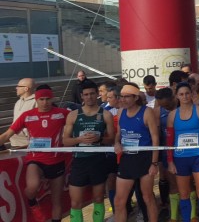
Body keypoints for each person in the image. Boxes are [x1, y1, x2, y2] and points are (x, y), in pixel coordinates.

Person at [0, 84, 69, 222]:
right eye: (41, 99)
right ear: (36, 100)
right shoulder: (27, 115)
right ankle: (32, 202)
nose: (45, 102)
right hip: (35, 159)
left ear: (52, 98)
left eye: (47, 99)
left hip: (56, 161)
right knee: (32, 187)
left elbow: (78, 122)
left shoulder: (62, 113)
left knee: (57, 201)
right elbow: (8, 134)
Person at [63, 79, 115, 222]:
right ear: (82, 96)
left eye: (92, 94)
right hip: (79, 161)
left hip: (98, 160)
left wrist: (98, 139)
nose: (89, 97)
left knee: (98, 198)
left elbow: (112, 139)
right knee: (75, 202)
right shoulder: (73, 115)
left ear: (97, 94)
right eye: (86, 94)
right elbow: (65, 141)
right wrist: (79, 140)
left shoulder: (105, 114)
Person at [113, 83, 160, 222]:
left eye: (126, 97)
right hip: (127, 159)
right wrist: (117, 143)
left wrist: (154, 163)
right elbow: (118, 133)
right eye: (121, 97)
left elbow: (155, 139)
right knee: (119, 201)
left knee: (147, 198)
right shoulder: (121, 112)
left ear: (135, 98)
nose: (123, 100)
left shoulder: (146, 112)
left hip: (144, 159)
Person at [166, 82, 199, 222]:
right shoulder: (172, 115)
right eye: (181, 94)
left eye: (187, 93)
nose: (185, 96)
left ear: (191, 94)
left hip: (198, 157)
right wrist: (170, 161)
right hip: (180, 158)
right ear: (177, 96)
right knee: (184, 193)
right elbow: (169, 141)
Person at [11, 77, 36, 149]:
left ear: (26, 89)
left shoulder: (36, 102)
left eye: (18, 86)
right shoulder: (18, 102)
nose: (16, 88)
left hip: (27, 142)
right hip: (15, 141)